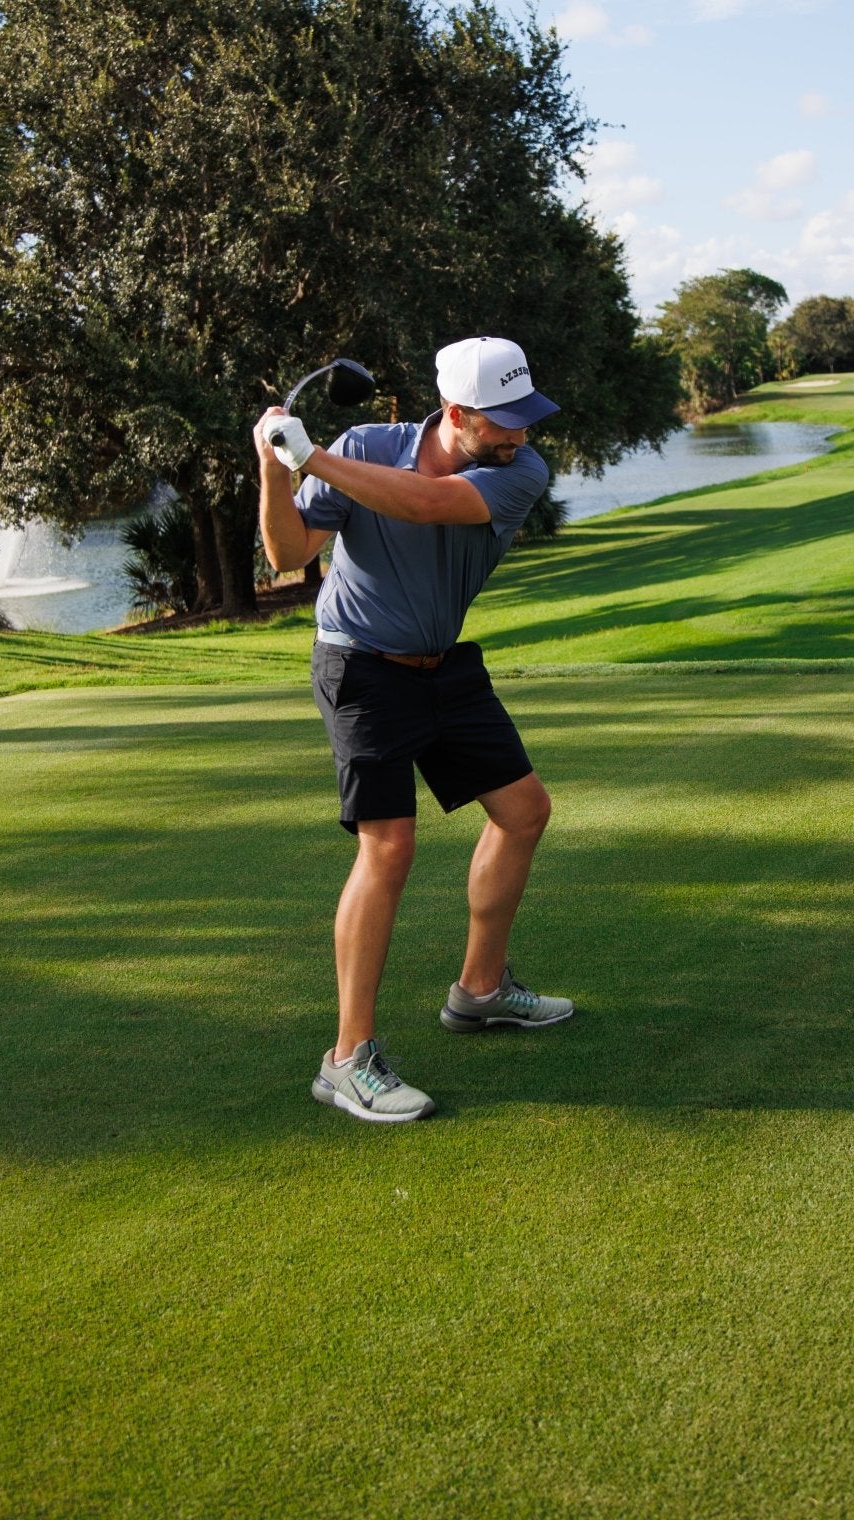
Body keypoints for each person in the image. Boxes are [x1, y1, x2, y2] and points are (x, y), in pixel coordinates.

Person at [254, 335, 573, 1125]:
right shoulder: (368, 446)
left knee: (523, 811)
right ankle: (346, 1060)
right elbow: (289, 553)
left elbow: (427, 505)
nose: (519, 436)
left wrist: (311, 458)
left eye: (525, 419)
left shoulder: (517, 472)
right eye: (502, 422)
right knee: (388, 845)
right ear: (456, 412)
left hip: (444, 663)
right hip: (360, 666)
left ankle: (480, 991)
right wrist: (273, 469)